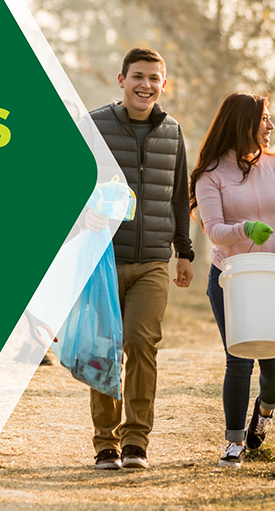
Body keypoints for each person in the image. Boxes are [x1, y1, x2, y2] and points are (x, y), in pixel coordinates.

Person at [86, 47, 195, 470]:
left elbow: (179, 196)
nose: (145, 85)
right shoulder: (94, 126)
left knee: (141, 343)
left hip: (152, 259)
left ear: (163, 85)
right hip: (102, 259)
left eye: (154, 78)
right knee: (105, 348)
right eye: (138, 76)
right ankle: (105, 443)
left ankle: (135, 442)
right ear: (121, 79)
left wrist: (183, 252)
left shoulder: (173, 132)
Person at [191, 93, 275, 469]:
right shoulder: (210, 174)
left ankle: (264, 414)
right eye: (264, 119)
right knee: (238, 359)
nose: (270, 127)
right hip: (231, 277)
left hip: (273, 275)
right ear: (242, 123)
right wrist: (245, 229)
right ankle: (234, 442)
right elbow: (215, 230)